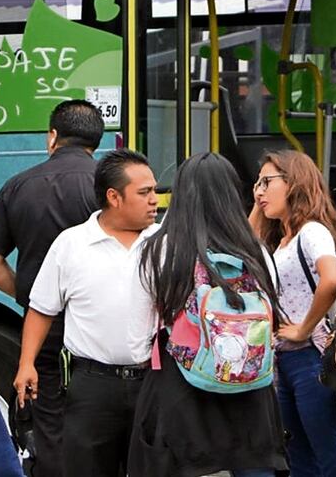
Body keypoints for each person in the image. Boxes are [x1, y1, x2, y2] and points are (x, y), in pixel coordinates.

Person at [130, 152, 287, 476]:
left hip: (183, 396)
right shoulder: (256, 251)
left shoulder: (157, 248)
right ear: (232, 194)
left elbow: (138, 334)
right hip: (251, 395)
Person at [12, 149, 160, 477]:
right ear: (114, 197)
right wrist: (26, 364)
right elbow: (41, 309)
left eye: (154, 191)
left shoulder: (162, 242)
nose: (155, 200)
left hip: (150, 384)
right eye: (144, 192)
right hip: (91, 386)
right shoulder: (72, 244)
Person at [0, 99, 103, 476]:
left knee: (49, 425)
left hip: (44, 331)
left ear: (52, 137)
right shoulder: (107, 187)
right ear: (97, 140)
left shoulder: (18, 185)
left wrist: (30, 300)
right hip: (97, 332)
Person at [250, 150, 336, 477]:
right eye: (257, 183)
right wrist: (260, 202)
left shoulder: (312, 232)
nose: (259, 190)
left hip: (311, 357)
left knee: (333, 459)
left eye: (267, 182)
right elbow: (243, 247)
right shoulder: (282, 239)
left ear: (294, 183)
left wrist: (302, 328)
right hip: (285, 360)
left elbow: (333, 279)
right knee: (300, 460)